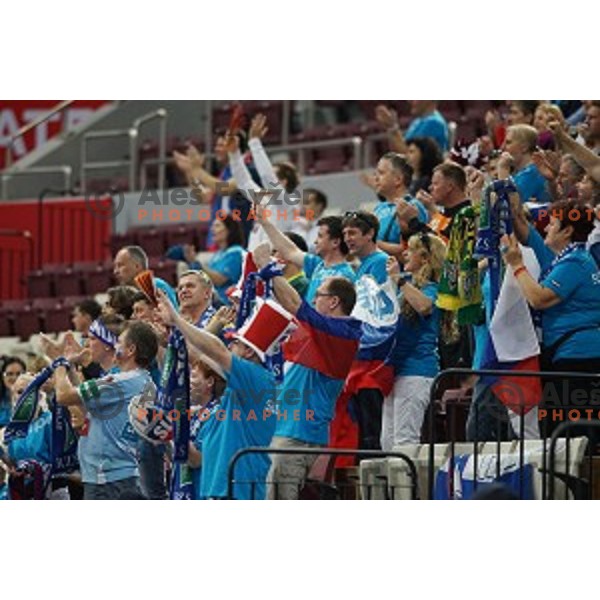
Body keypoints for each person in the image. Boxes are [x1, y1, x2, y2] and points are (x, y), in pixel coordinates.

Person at [252, 242, 362, 499]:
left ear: (334, 301)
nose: (313, 300)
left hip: (297, 436)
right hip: (287, 430)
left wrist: (268, 268)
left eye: (318, 296)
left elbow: (294, 304)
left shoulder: (344, 332)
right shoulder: (323, 333)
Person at [155, 290, 283, 500]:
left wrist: (177, 320)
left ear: (250, 353)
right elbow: (196, 460)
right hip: (216, 493)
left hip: (236, 494)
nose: (230, 346)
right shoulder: (230, 397)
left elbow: (217, 351)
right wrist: (170, 433)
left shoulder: (258, 379)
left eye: (236, 343)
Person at [505, 197, 600, 441]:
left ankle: (576, 478)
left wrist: (517, 266)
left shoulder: (576, 262)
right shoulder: (566, 259)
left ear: (567, 230)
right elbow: (522, 226)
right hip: (569, 355)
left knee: (572, 436)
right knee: (562, 432)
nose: (545, 227)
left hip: (578, 359)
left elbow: (539, 298)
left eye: (552, 224)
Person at [53, 321, 159, 499]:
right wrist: (70, 369)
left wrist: (59, 364)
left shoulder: (119, 383)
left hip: (109, 480)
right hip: (122, 476)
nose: (115, 345)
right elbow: (87, 404)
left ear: (131, 350)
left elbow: (63, 396)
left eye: (119, 342)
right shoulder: (144, 381)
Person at [383, 233, 446, 448]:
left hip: (417, 371)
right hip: (396, 370)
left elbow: (425, 306)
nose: (404, 253)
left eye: (410, 249)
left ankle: (410, 483)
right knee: (387, 442)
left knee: (405, 440)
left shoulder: (433, 288)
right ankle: (394, 482)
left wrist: (399, 280)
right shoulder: (408, 287)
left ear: (426, 258)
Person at [256, 209, 355, 305]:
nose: (315, 241)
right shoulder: (318, 264)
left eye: (320, 236)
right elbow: (290, 251)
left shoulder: (345, 276)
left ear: (335, 242)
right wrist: (265, 223)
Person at [498, 124, 551, 204]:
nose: (502, 148)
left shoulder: (533, 172)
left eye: (508, 142)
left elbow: (509, 206)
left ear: (524, 147)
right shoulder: (523, 172)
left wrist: (502, 169)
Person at [113, 245, 178, 307]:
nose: (115, 271)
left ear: (137, 266)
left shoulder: (157, 287)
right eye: (115, 267)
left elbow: (173, 317)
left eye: (120, 265)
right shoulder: (124, 294)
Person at [376, 101, 449, 153]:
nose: (409, 101)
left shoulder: (434, 123)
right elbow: (398, 152)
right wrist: (390, 127)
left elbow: (409, 158)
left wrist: (391, 127)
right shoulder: (417, 121)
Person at [0, 357, 26, 429]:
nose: (14, 377)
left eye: (18, 374)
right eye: (9, 374)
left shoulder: (34, 399)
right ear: (2, 376)